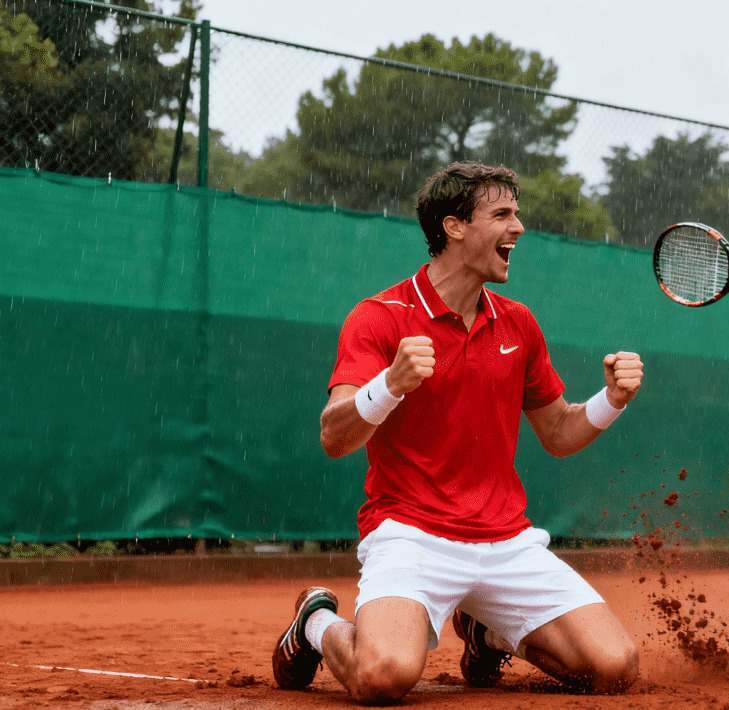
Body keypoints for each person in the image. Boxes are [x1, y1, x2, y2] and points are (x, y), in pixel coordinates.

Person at [271, 162, 643, 703]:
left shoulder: (518, 323)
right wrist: (389, 385)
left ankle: (486, 632)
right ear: (454, 227)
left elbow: (560, 433)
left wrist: (611, 400)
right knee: (383, 677)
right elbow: (335, 436)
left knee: (614, 668)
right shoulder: (379, 317)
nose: (518, 227)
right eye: (502, 214)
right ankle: (315, 622)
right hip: (411, 535)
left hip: (506, 540)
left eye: (517, 213)